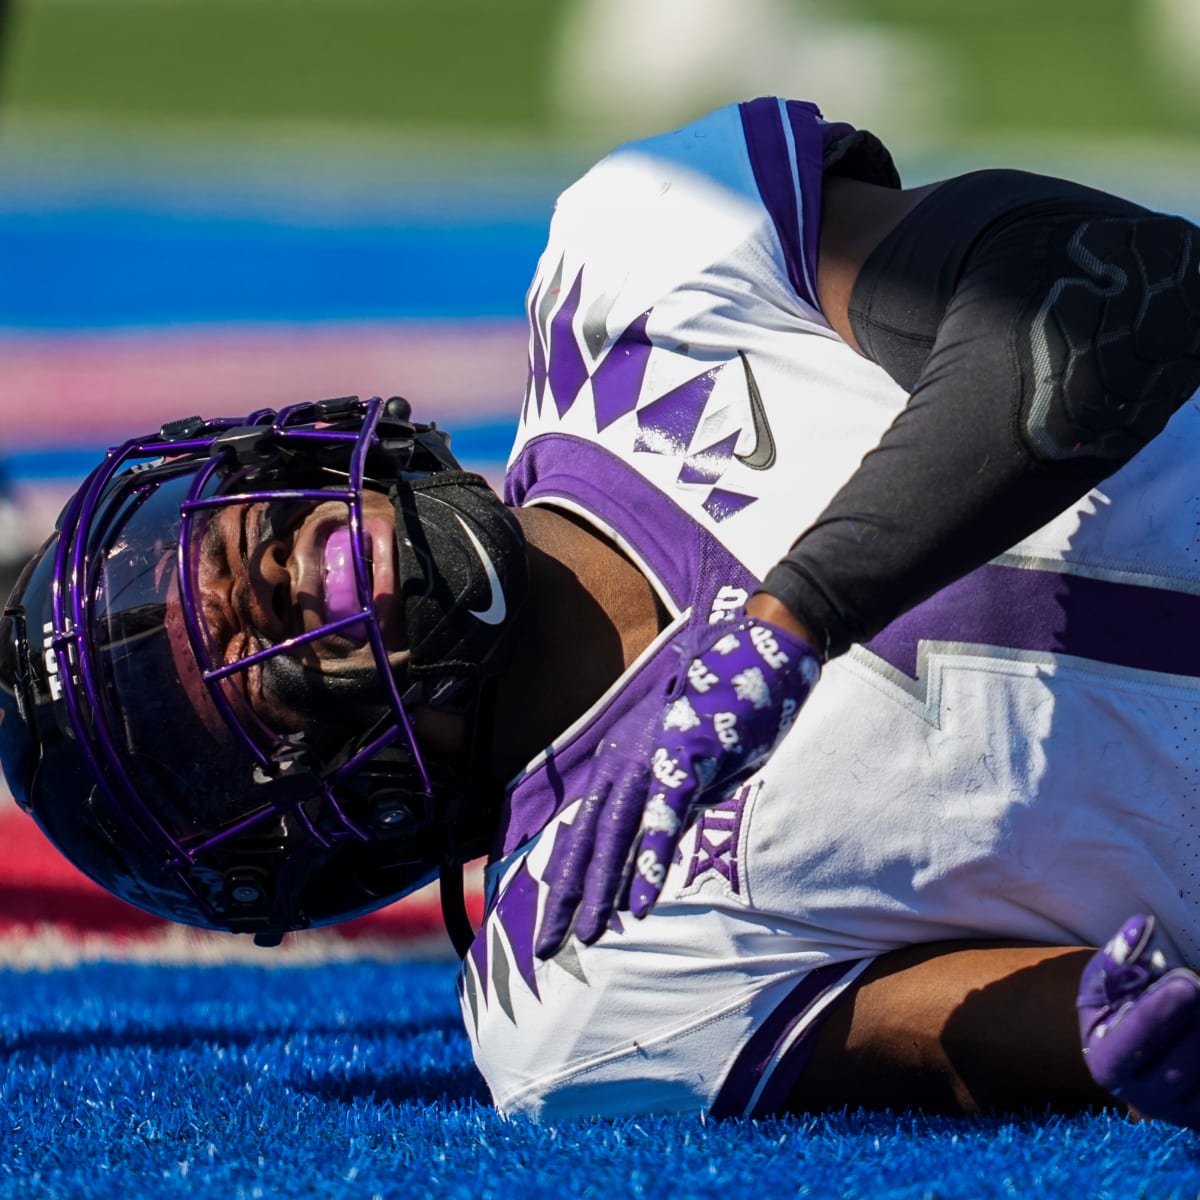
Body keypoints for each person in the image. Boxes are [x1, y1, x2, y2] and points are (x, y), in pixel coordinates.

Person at [4, 96, 1200, 1126]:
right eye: (234, 654)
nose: (254, 575)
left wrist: (796, 614)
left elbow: (1115, 290)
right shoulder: (567, 985)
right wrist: (1126, 1036)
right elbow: (1041, 1020)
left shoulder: (631, 263)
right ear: (305, 826)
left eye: (232, 535)